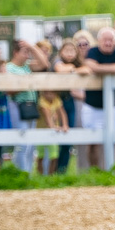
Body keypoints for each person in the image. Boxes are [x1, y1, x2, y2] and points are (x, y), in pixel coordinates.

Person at [83, 27, 115, 171]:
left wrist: (100, 69)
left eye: (111, 40)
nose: (108, 43)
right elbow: (90, 65)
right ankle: (96, 172)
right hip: (93, 106)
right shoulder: (92, 51)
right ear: (99, 41)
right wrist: (112, 69)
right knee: (92, 141)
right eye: (105, 40)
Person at [6, 39, 50, 173]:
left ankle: (28, 173)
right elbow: (9, 90)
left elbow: (44, 64)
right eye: (25, 52)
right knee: (22, 141)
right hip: (17, 105)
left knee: (31, 143)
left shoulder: (27, 67)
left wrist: (32, 46)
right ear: (15, 52)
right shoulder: (9, 68)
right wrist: (26, 83)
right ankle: (21, 172)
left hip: (31, 106)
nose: (28, 55)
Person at [52, 39, 90, 174]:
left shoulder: (78, 64)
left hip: (70, 103)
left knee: (68, 135)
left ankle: (62, 170)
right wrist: (74, 70)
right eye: (66, 51)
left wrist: (74, 69)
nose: (69, 54)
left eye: (72, 50)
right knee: (58, 136)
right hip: (57, 102)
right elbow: (60, 69)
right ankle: (56, 170)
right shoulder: (57, 61)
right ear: (61, 52)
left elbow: (87, 69)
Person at [72, 30, 96, 172]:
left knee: (95, 139)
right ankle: (83, 171)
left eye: (85, 44)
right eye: (79, 44)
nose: (82, 47)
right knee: (81, 139)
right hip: (78, 105)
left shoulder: (95, 61)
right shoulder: (71, 64)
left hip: (93, 103)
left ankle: (98, 169)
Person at [36, 89, 68, 175]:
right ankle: (40, 175)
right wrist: (52, 127)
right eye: (47, 92)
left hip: (53, 131)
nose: (49, 95)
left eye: (52, 93)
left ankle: (51, 175)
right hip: (41, 131)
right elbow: (46, 115)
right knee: (40, 156)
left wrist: (65, 125)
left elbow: (62, 113)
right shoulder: (41, 101)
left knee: (54, 156)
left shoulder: (56, 100)